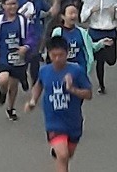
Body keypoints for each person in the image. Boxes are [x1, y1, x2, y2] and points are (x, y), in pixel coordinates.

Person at [24, 37, 93, 172]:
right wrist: (33, 101)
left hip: (73, 122)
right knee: (63, 155)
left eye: (60, 55)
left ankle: (58, 151)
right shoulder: (44, 71)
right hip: (53, 122)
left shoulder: (77, 71)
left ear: (67, 54)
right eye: (53, 55)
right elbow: (39, 85)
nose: (57, 59)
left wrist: (72, 89)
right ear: (48, 54)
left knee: (68, 154)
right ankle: (59, 151)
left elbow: (89, 94)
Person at [0, 0, 36, 121]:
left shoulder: (23, 21)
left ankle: (11, 108)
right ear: (3, 5)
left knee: (13, 86)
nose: (12, 7)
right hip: (3, 57)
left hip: (18, 59)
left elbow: (31, 37)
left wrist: (26, 47)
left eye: (14, 4)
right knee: (3, 79)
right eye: (9, 4)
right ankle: (2, 91)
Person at [80, 0, 117, 94]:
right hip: (96, 31)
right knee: (99, 60)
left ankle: (104, 60)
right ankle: (101, 85)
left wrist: (115, 12)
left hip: (110, 30)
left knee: (111, 60)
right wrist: (91, 11)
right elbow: (82, 18)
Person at [18, 0, 61, 86]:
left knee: (35, 59)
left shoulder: (39, 1)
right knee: (22, 60)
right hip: (22, 33)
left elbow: (53, 12)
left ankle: (35, 84)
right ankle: (22, 76)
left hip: (35, 34)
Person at [50, 2, 113, 76]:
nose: (73, 16)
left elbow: (91, 47)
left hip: (80, 69)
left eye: (75, 13)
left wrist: (102, 43)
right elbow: (53, 49)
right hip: (63, 70)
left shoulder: (82, 32)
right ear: (63, 16)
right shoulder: (58, 32)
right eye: (70, 13)